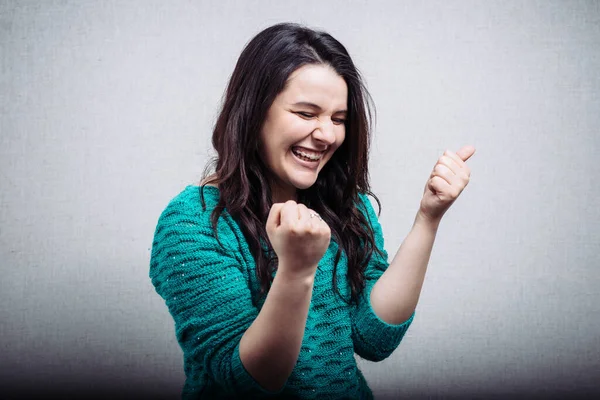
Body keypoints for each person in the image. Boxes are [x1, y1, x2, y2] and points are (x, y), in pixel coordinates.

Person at [149, 22, 475, 399]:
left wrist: (428, 218)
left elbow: (374, 337)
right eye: (306, 114)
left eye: (338, 119)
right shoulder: (193, 223)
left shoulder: (345, 206)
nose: (328, 134)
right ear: (254, 113)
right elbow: (249, 379)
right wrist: (297, 269)